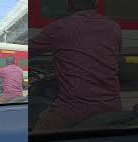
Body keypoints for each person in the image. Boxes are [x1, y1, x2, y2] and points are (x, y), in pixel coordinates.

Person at [30, 0, 122, 132]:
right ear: (95, 4)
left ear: (69, 6)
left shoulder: (60, 27)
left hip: (73, 108)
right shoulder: (114, 27)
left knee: (38, 139)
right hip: (112, 105)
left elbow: (27, 51)